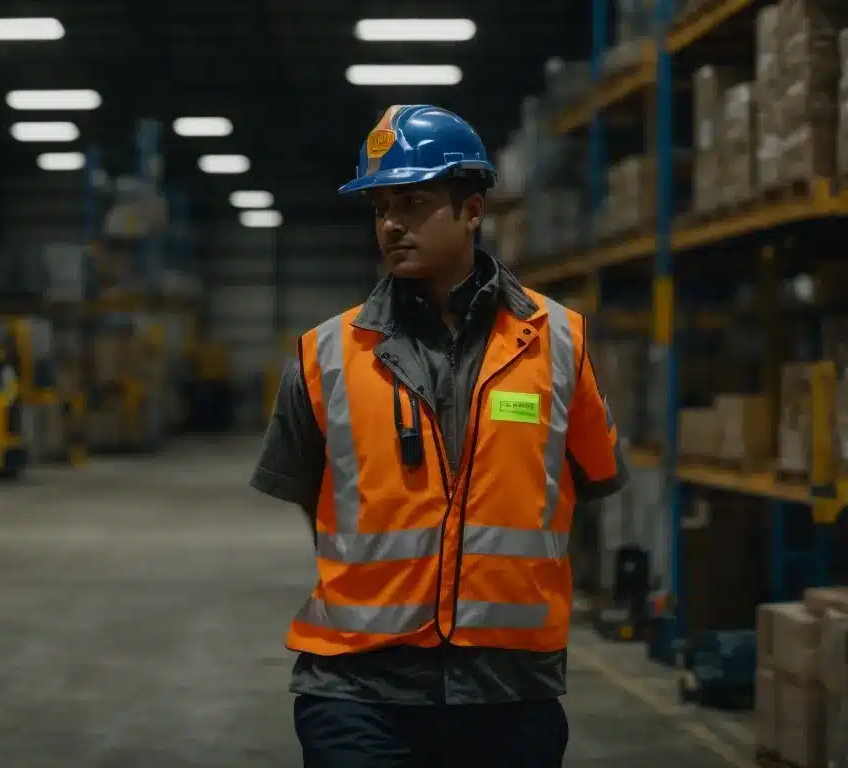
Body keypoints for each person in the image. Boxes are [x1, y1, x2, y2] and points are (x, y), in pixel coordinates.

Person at [249, 104, 630, 767]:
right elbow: (310, 493)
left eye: (415, 202)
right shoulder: (325, 355)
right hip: (359, 690)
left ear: (473, 211)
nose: (391, 223)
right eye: (380, 208)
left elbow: (593, 476)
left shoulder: (560, 343)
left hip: (509, 695)